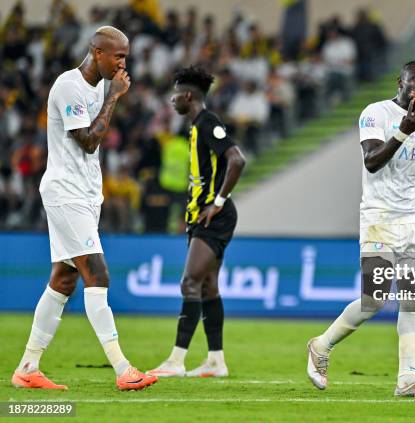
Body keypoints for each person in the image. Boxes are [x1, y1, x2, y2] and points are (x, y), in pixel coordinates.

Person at [12, 26, 157, 391]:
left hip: (87, 195)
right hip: (66, 194)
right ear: (96, 52)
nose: (123, 64)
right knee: (98, 274)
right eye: (118, 56)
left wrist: (109, 94)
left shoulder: (94, 86)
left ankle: (28, 367)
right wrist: (114, 97)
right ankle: (123, 369)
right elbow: (90, 141)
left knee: (63, 280)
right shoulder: (69, 86)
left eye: (126, 56)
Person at [307, 61, 415, 396]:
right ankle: (321, 345)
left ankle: (407, 379)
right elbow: (372, 161)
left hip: (413, 219)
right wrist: (404, 129)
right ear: (400, 82)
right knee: (374, 301)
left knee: (411, 300)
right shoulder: (375, 113)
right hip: (379, 217)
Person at [148, 66, 246, 378]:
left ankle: (176, 361)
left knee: (189, 282)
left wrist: (217, 202)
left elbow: (237, 159)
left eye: (175, 95)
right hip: (200, 215)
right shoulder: (195, 127)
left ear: (188, 96)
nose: (172, 100)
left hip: (214, 216)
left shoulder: (208, 122)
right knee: (207, 286)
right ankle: (216, 361)